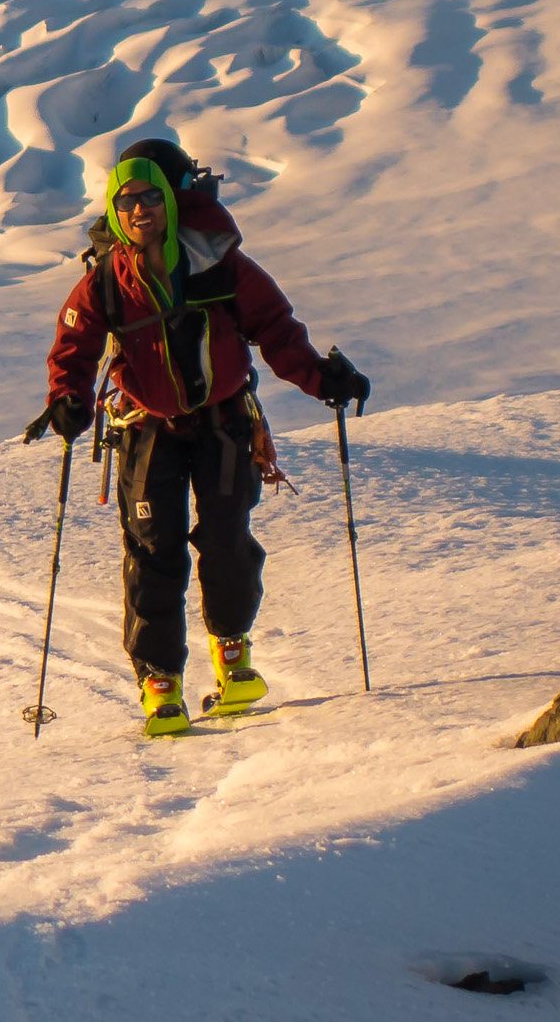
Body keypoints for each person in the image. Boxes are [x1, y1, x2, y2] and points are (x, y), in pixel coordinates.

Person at [29, 137, 368, 736]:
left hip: (224, 423)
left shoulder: (220, 263)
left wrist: (323, 379)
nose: (140, 211)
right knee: (153, 548)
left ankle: (232, 659)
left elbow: (276, 329)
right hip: (146, 429)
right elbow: (73, 348)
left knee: (226, 538)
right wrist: (67, 401)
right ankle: (160, 683)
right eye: (127, 201)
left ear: (171, 202)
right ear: (113, 210)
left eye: (150, 198)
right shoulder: (105, 282)